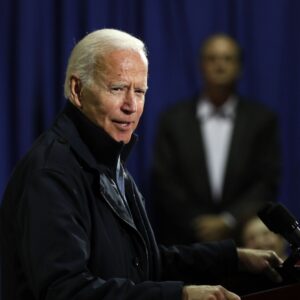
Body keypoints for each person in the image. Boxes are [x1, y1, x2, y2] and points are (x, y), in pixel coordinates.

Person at [0, 29, 283, 300]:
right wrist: (179, 295)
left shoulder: (108, 161)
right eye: (118, 88)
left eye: (140, 91)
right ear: (77, 90)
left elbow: (142, 263)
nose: (131, 105)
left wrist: (233, 258)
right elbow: (67, 291)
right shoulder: (51, 173)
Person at [152, 33, 281, 245]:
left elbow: (267, 181)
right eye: (212, 58)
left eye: (227, 58)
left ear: (239, 67)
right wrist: (198, 223)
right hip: (184, 242)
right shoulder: (173, 119)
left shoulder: (262, 120)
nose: (220, 65)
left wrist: (228, 221)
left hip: (242, 240)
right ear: (201, 65)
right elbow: (164, 180)